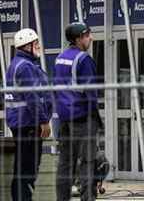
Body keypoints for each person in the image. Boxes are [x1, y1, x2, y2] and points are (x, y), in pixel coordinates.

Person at [54, 22, 101, 201]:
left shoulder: (60, 58)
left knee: (65, 164)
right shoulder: (83, 59)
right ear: (79, 38)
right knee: (88, 163)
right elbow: (91, 92)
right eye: (88, 35)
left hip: (65, 120)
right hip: (82, 118)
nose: (91, 38)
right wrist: (95, 119)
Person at [5, 28, 53, 201]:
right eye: (36, 43)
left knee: (23, 168)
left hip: (22, 123)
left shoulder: (18, 64)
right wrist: (43, 121)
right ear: (28, 46)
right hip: (28, 124)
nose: (39, 46)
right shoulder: (25, 67)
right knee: (27, 169)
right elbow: (33, 97)